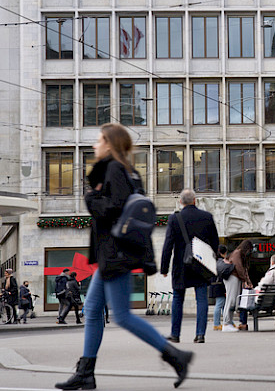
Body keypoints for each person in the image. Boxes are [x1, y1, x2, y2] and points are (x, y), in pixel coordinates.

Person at [55, 123, 192, 391]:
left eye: (98, 140)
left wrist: (91, 198)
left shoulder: (115, 169)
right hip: (113, 254)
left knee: (122, 316)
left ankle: (176, 357)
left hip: (115, 254)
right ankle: (86, 373)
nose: (94, 145)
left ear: (109, 143)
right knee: (93, 310)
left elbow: (115, 208)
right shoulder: (127, 171)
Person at [160, 188, 220, 344]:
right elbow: (215, 242)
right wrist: (212, 262)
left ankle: (175, 334)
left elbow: (168, 245)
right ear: (195, 200)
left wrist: (164, 268)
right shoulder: (206, 217)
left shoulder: (175, 219)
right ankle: (200, 334)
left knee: (178, 298)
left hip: (181, 265)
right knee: (201, 299)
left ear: (181, 202)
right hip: (201, 264)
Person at [221, 240, 253, 332]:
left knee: (233, 300)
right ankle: (226, 323)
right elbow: (239, 268)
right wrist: (246, 280)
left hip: (234, 277)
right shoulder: (237, 254)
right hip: (232, 277)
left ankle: (228, 322)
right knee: (231, 300)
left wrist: (246, 280)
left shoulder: (237, 254)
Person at [210, 244, 228, 331]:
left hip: (214, 284)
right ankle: (216, 323)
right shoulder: (221, 262)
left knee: (222, 304)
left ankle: (225, 322)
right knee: (220, 303)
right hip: (219, 285)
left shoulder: (213, 261)